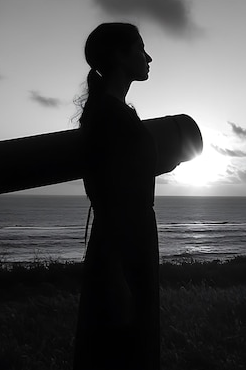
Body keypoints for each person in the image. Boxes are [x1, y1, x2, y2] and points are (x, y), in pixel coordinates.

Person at [73, 22, 160, 370]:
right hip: (122, 244)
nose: (148, 57)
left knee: (130, 343)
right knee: (121, 349)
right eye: (140, 48)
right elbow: (106, 195)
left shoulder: (115, 112)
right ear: (119, 56)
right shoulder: (107, 115)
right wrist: (115, 274)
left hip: (132, 239)